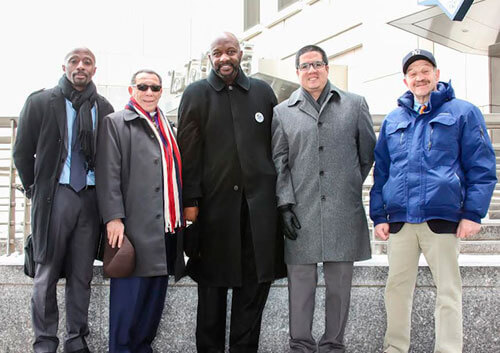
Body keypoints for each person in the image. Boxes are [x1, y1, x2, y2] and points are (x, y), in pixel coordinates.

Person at [370, 49, 497, 353]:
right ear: (406, 80)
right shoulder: (393, 119)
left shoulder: (462, 112)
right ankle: (395, 348)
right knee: (396, 290)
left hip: (442, 218)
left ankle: (449, 349)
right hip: (400, 221)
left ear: (437, 75)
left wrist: (473, 214)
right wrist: (379, 216)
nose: (420, 77)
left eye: (425, 70)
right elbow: (382, 171)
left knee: (448, 291)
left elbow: (481, 166)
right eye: (413, 73)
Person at [177, 32, 286, 353]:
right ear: (209, 58)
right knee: (211, 295)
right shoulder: (196, 94)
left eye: (230, 52)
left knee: (252, 296)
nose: (224, 58)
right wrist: (190, 202)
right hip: (213, 213)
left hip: (258, 214)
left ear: (241, 54)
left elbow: (277, 148)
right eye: (217, 53)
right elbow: (188, 153)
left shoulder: (263, 93)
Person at [271, 44, 376, 353]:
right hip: (300, 211)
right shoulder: (282, 112)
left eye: (317, 64)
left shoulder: (355, 105)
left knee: (339, 287)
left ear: (327, 68)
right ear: (297, 73)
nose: (312, 70)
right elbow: (279, 162)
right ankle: (300, 345)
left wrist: (349, 185)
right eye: (305, 66)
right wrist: (284, 203)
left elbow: (367, 155)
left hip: (343, 211)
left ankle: (333, 345)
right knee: (300, 287)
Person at [13, 47, 114, 353]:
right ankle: (45, 342)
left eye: (87, 63)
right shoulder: (41, 101)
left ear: (94, 70)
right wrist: (36, 188)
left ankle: (76, 339)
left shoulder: (104, 107)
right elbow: (21, 152)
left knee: (81, 276)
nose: (80, 67)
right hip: (56, 197)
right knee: (46, 273)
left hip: (90, 199)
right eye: (74, 61)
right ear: (64, 66)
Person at [95, 69, 184, 353]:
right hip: (131, 232)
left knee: (151, 310)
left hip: (163, 232)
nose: (149, 92)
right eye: (143, 86)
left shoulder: (167, 127)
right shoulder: (115, 123)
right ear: (131, 90)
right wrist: (113, 218)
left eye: (155, 88)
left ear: (161, 92)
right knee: (127, 311)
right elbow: (108, 175)